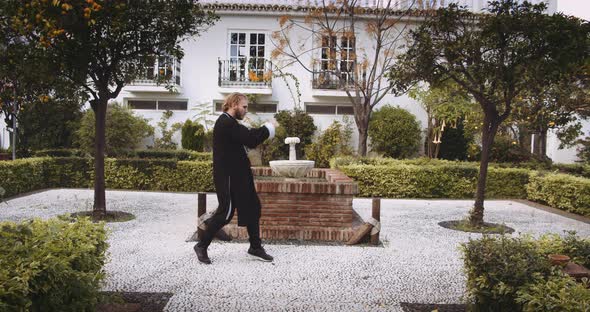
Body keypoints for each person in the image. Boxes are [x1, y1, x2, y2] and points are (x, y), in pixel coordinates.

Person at [194, 92, 277, 264]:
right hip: (229, 177)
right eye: (244, 106)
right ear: (233, 104)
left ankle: (255, 247)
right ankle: (201, 245)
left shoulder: (231, 123)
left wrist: (264, 129)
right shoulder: (225, 123)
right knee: (225, 213)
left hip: (239, 175)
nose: (246, 110)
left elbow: (247, 134)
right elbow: (251, 139)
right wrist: (269, 127)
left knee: (253, 207)